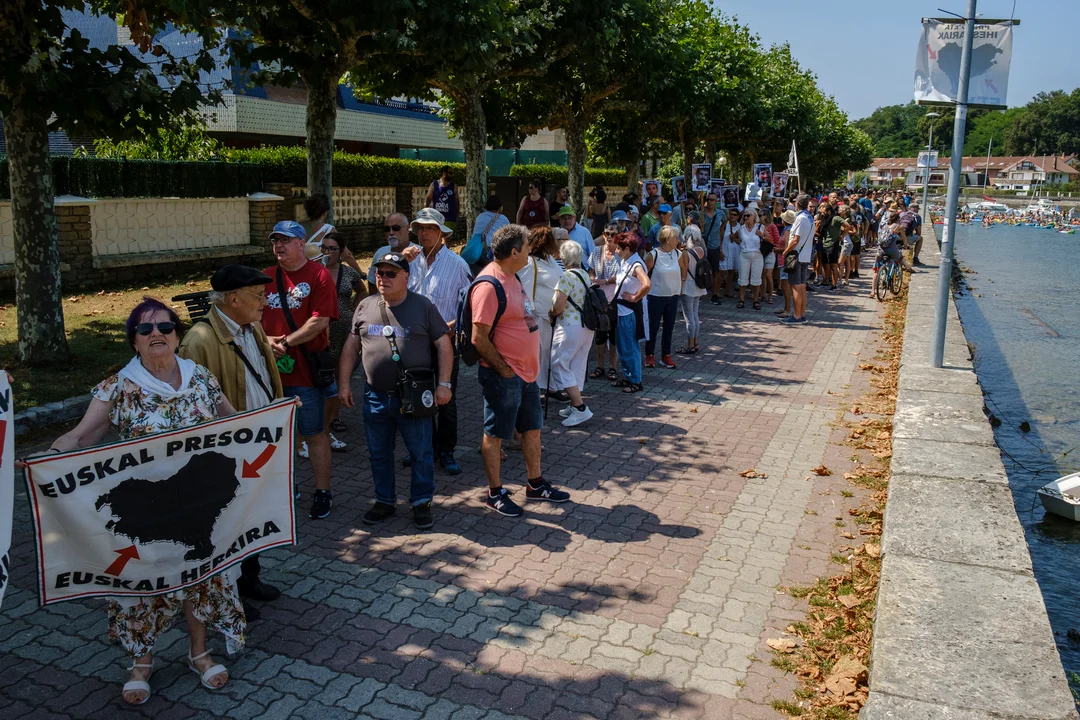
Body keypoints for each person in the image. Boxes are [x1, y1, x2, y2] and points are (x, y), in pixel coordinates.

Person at [39, 298, 243, 704]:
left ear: (177, 335)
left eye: (165, 327)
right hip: (148, 509)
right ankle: (142, 663)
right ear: (133, 340)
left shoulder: (200, 377)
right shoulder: (120, 386)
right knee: (143, 582)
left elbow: (236, 423)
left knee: (201, 575)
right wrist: (46, 459)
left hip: (199, 503)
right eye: (145, 329)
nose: (156, 334)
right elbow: (81, 436)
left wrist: (278, 420)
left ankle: (198, 653)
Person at [178, 266, 284, 623]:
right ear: (233, 299)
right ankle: (229, 593)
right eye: (259, 296)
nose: (265, 302)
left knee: (252, 515)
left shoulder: (252, 326)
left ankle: (250, 578)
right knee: (226, 523)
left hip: (259, 442)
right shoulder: (199, 341)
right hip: (226, 454)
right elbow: (191, 406)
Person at [338, 251, 453, 529]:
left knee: (420, 453)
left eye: (391, 273)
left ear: (406, 277)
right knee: (379, 453)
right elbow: (352, 346)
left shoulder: (423, 306)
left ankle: (421, 502)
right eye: (379, 273)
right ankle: (384, 500)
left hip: (413, 396)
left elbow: (444, 345)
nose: (383, 278)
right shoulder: (365, 306)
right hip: (375, 397)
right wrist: (343, 383)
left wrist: (444, 384)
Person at [470, 224, 572, 517]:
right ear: (514, 252)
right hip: (505, 376)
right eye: (527, 248)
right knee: (495, 434)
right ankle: (495, 493)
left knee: (532, 430)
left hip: (526, 374)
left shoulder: (512, 276)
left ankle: (535, 484)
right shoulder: (489, 285)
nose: (530, 252)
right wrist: (504, 370)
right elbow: (479, 338)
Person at [261, 220, 338, 519]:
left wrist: (285, 342)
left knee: (313, 433)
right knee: (279, 435)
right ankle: (287, 488)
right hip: (270, 375)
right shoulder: (265, 277)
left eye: (285, 240)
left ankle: (322, 492)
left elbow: (320, 320)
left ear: (301, 243)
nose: (278, 245)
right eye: (275, 240)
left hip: (305, 372)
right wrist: (266, 340)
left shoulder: (318, 275)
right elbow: (250, 317)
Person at [409, 208, 473, 474]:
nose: (424, 233)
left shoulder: (457, 264)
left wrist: (451, 326)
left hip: (445, 342)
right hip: (415, 343)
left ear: (441, 232)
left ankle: (447, 450)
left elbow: (469, 305)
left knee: (445, 397)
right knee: (417, 395)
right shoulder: (411, 261)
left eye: (430, 228)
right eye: (420, 228)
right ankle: (425, 447)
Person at [320, 232, 363, 443]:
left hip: (343, 328)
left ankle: (334, 417)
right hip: (321, 330)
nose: (327, 253)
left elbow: (362, 290)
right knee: (320, 373)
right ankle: (318, 415)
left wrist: (353, 309)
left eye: (332, 249)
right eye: (324, 248)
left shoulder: (349, 273)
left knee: (339, 374)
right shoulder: (315, 271)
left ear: (341, 251)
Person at [549, 241, 596, 427]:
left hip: (569, 326)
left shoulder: (566, 276)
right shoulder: (584, 274)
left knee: (559, 364)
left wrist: (551, 313)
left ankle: (580, 406)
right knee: (577, 364)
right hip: (587, 326)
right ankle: (575, 405)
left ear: (563, 258)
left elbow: (558, 306)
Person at [517, 225, 563, 398]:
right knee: (537, 354)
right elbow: (524, 290)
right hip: (537, 317)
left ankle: (550, 387)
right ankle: (535, 390)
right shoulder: (530, 262)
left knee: (549, 353)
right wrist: (530, 317)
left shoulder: (550, 259)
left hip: (552, 317)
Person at [611, 232, 651, 393]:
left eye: (618, 248)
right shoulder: (626, 261)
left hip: (628, 312)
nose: (616, 251)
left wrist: (635, 297)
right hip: (621, 311)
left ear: (627, 248)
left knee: (630, 347)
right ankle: (628, 377)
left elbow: (647, 284)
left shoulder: (636, 265)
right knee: (622, 347)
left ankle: (636, 381)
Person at [644, 225, 686, 369]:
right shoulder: (653, 254)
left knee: (669, 327)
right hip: (655, 296)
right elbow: (643, 273)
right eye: (676, 237)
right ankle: (649, 355)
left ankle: (665, 355)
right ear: (668, 239)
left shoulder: (678, 254)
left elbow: (683, 269)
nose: (678, 240)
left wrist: (681, 285)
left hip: (672, 297)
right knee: (653, 327)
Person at [588, 221, 621, 381]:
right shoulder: (596, 251)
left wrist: (606, 281)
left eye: (613, 234)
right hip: (599, 298)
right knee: (600, 333)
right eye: (607, 233)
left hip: (615, 297)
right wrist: (593, 279)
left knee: (614, 334)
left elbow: (622, 274)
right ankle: (600, 366)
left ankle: (613, 367)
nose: (609, 237)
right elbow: (591, 270)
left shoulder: (621, 253)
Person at [301, 193, 362, 274]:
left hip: (299, 273)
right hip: (319, 274)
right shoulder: (328, 229)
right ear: (325, 212)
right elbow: (347, 255)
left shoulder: (297, 227)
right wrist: (360, 273)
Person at [782, 194, 815, 324]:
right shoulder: (810, 217)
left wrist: (785, 251)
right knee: (801, 286)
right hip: (805, 255)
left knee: (795, 286)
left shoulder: (800, 218)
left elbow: (795, 240)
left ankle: (796, 316)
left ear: (797, 204)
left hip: (797, 255)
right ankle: (801, 314)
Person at [368, 212, 420, 293]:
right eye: (387, 229)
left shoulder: (419, 253)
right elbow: (372, 282)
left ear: (408, 229)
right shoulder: (380, 253)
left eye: (396, 228)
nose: (391, 232)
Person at [677, 223, 707, 355]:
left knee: (689, 317)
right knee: (695, 315)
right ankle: (695, 343)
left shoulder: (685, 253)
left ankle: (690, 345)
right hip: (699, 286)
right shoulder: (701, 250)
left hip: (688, 287)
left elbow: (683, 273)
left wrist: (680, 288)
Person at [471, 195, 511, 276]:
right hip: (492, 252)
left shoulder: (480, 217)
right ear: (500, 207)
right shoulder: (503, 218)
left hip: (476, 250)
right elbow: (509, 237)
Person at [734, 208, 766, 310]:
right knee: (742, 278)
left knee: (756, 279)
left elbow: (770, 239)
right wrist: (740, 243)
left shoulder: (760, 227)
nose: (746, 217)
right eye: (745, 216)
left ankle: (756, 300)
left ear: (754, 216)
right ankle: (741, 300)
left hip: (757, 255)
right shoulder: (741, 228)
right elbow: (734, 237)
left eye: (748, 215)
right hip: (744, 255)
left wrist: (762, 235)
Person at [701, 193, 724, 305]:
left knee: (715, 271)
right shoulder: (701, 214)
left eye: (712, 200)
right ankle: (699, 294)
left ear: (716, 202)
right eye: (708, 199)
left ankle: (715, 294)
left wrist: (720, 236)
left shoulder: (720, 213)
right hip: (702, 246)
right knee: (701, 270)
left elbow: (724, 223)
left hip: (714, 245)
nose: (710, 201)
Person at [556, 205, 595, 271]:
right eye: (563, 218)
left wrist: (591, 272)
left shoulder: (584, 231)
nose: (567, 221)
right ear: (559, 220)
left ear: (575, 218)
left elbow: (593, 254)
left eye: (569, 218)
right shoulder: (556, 233)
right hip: (561, 271)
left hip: (583, 270)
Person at [775, 210, 796, 318]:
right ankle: (785, 307)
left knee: (785, 286)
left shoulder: (787, 231)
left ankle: (788, 310)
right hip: (783, 260)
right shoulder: (787, 229)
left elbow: (786, 247)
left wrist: (776, 250)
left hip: (785, 261)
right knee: (784, 286)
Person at [426, 166, 458, 230]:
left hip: (450, 219)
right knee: (437, 235)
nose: (452, 175)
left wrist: (457, 214)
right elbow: (428, 198)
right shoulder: (434, 185)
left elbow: (457, 201)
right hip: (437, 218)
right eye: (450, 173)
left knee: (447, 236)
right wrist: (426, 211)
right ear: (444, 173)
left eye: (452, 173)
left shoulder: (453, 186)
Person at [719, 207, 741, 299]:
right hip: (725, 251)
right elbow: (720, 239)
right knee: (722, 271)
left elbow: (741, 241)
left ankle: (728, 290)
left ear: (738, 216)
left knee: (731, 271)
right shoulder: (725, 225)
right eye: (731, 214)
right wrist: (720, 250)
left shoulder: (740, 227)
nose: (732, 216)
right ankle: (717, 291)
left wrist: (734, 238)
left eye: (735, 215)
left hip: (735, 252)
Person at [760, 207, 780, 303]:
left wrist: (772, 246)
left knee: (768, 274)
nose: (759, 217)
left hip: (770, 252)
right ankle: (763, 294)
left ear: (766, 216)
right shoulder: (759, 226)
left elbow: (777, 239)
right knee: (762, 274)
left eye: (761, 215)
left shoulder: (772, 226)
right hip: (761, 252)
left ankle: (771, 295)